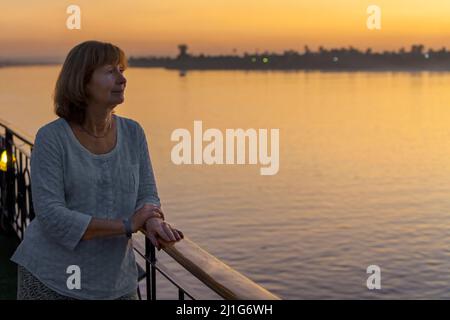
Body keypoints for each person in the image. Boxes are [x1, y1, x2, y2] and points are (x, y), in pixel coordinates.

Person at [11, 40, 183, 300]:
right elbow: (51, 214)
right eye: (110, 71)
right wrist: (126, 225)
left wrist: (152, 219)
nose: (122, 79)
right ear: (82, 81)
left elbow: (147, 193)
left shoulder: (133, 132)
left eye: (122, 70)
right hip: (53, 279)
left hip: (115, 282)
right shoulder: (52, 137)